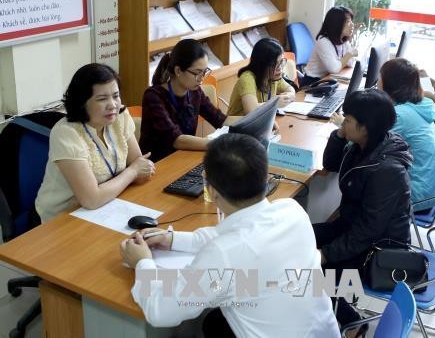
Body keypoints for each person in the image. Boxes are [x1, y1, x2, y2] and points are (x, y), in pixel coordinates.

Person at [120, 133, 340, 338]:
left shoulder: (223, 254)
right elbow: (231, 235)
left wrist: (143, 262)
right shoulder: (292, 210)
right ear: (265, 176)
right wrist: (173, 240)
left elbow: (161, 312)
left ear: (211, 190)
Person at [317, 89, 412, 330]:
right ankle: (335, 312)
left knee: (312, 270)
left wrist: (326, 253)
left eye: (347, 120)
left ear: (365, 127)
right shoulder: (365, 145)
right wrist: (340, 134)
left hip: (378, 248)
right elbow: (330, 164)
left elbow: (368, 231)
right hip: (352, 226)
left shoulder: (387, 170)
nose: (343, 121)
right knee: (300, 237)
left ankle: (352, 322)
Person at [35, 63, 155, 222]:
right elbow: (91, 199)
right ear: (82, 102)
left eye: (116, 95)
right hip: (64, 219)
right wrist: (132, 171)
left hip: (108, 207)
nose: (112, 105)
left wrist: (136, 170)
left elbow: (141, 171)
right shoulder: (66, 133)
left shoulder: (119, 117)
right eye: (102, 99)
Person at [140, 39, 240, 162]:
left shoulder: (195, 92)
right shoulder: (153, 97)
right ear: (178, 71)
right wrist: (217, 143)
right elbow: (177, 140)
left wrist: (255, 119)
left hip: (184, 159)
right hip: (158, 166)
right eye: (197, 73)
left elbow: (220, 119)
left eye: (205, 72)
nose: (201, 79)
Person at [379, 58, 435, 211]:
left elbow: (366, 142)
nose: (378, 81)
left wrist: (347, 125)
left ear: (388, 83)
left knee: (365, 178)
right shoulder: (420, 105)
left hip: (420, 195)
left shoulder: (401, 115)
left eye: (380, 76)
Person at [227, 37, 295, 116]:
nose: (280, 68)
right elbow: (251, 111)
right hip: (236, 125)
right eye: (275, 64)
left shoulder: (274, 77)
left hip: (259, 122)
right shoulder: (247, 79)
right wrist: (274, 103)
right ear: (263, 65)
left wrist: (289, 96)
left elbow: (290, 89)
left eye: (281, 62)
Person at [302, 6, 358, 87]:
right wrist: (349, 54)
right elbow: (334, 69)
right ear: (337, 24)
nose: (352, 25)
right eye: (348, 22)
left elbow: (351, 63)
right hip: (312, 83)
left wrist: (341, 62)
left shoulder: (343, 40)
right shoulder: (323, 42)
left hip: (327, 80)